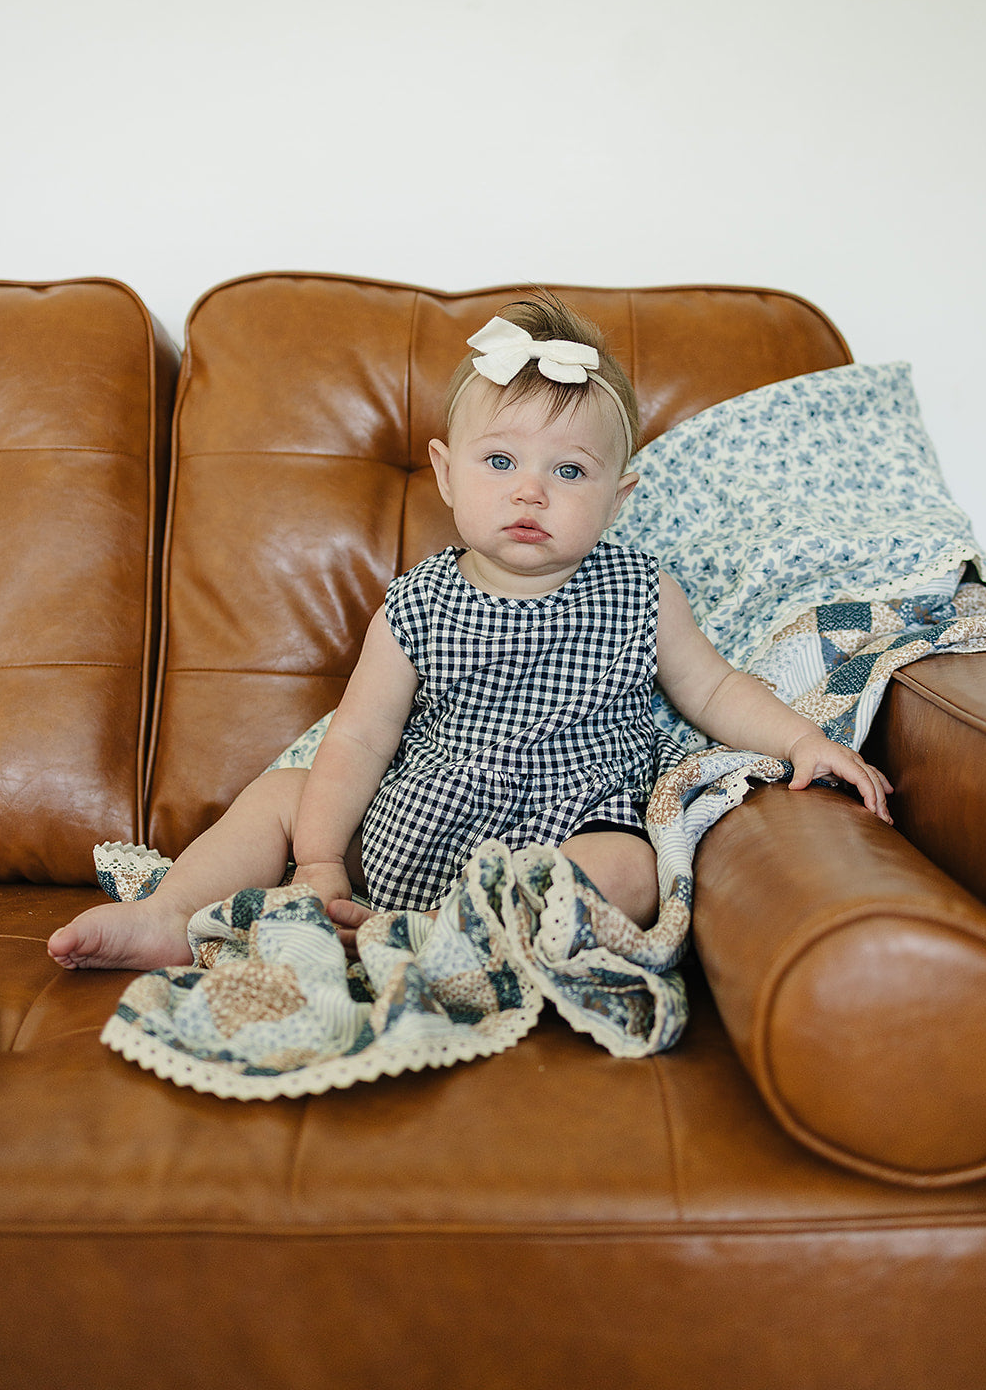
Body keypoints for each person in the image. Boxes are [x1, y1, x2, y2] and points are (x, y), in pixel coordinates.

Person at [48, 293, 892, 972]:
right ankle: (167, 915)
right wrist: (320, 861)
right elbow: (360, 738)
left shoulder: (641, 590)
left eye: (569, 471)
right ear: (447, 475)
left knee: (635, 873)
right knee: (282, 794)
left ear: (617, 498)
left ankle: (450, 940)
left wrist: (801, 741)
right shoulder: (417, 603)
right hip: (414, 821)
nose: (531, 491)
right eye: (500, 462)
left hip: (563, 831)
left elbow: (712, 688)